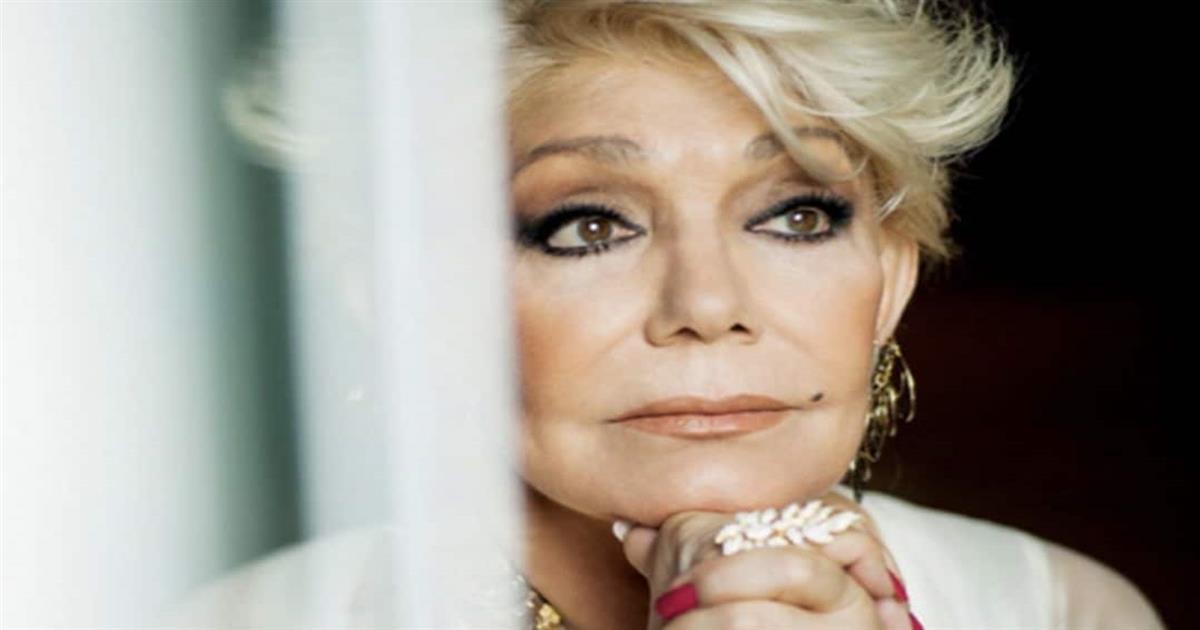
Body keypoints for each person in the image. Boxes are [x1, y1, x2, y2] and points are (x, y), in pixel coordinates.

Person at [164, 1, 1167, 628]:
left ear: (890, 280)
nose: (708, 307)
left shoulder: (1061, 611)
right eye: (588, 226)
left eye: (795, 216)